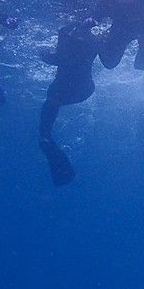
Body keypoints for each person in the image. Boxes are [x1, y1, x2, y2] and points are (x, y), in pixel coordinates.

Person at [38, 17, 101, 186]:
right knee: (51, 105)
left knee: (46, 124)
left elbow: (57, 58)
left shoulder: (69, 36)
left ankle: (46, 139)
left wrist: (44, 54)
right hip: (83, 89)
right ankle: (47, 141)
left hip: (68, 89)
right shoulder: (89, 39)